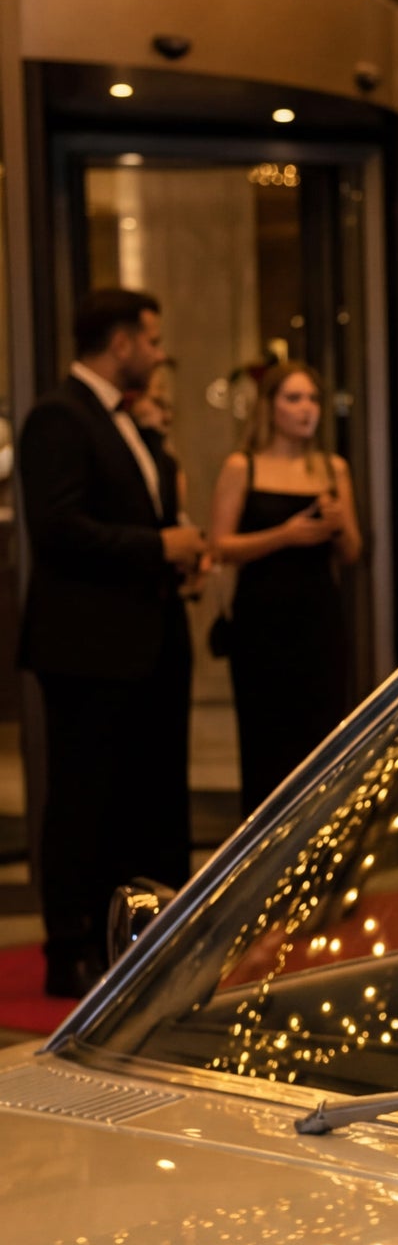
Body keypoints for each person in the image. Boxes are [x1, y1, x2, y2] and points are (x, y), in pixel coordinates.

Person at [16, 286, 207, 996]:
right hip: (89, 647)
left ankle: (144, 938)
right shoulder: (58, 417)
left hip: (148, 640)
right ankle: (71, 947)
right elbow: (58, 528)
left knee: (146, 800)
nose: (158, 354)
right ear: (120, 342)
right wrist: (159, 546)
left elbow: (137, 513)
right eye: (150, 340)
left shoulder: (131, 422)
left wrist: (178, 556)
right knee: (84, 799)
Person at [208, 360, 362, 818]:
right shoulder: (243, 466)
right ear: (270, 407)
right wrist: (284, 535)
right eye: (294, 398)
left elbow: (352, 551)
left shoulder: (332, 468)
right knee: (266, 742)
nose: (306, 408)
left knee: (322, 738)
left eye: (313, 399)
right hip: (261, 623)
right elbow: (219, 546)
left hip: (318, 620)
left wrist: (338, 525)